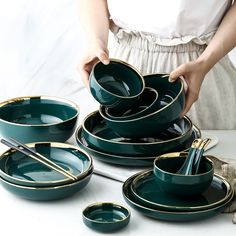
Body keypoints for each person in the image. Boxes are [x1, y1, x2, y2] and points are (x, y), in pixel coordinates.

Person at [77, 0, 236, 130]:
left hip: (200, 69)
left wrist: (205, 62)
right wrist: (96, 42)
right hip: (122, 71)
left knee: (204, 160)